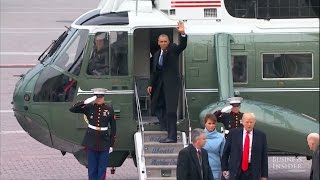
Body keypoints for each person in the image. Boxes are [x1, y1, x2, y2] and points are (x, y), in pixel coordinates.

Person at [147, 21, 187, 143]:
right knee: (158, 106)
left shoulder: (173, 49)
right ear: (158, 43)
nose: (163, 43)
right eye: (161, 41)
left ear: (168, 42)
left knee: (171, 111)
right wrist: (150, 84)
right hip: (159, 85)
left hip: (171, 85)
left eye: (165, 41)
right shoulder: (156, 54)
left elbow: (183, 46)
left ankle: (172, 136)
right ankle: (164, 126)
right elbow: (154, 71)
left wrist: (183, 34)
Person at [69, 88, 116, 180]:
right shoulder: (89, 107)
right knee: (92, 168)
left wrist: (111, 144)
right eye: (97, 97)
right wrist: (84, 102)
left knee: (102, 168)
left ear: (103, 97)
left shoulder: (109, 109)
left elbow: (114, 128)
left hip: (104, 142)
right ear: (94, 97)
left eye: (101, 97)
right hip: (91, 142)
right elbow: (72, 109)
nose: (99, 99)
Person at [221, 113, 268, 180]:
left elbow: (264, 156)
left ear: (254, 122)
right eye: (247, 122)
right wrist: (224, 168)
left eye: (251, 122)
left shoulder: (261, 136)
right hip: (236, 169)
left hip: (253, 170)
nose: (249, 124)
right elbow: (226, 152)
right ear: (242, 122)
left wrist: (264, 175)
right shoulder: (233, 134)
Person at [203, 113, 225, 180]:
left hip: (216, 169)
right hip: (202, 168)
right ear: (205, 123)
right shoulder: (199, 136)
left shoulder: (221, 137)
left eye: (213, 123)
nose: (211, 126)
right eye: (209, 123)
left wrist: (224, 169)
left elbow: (223, 155)